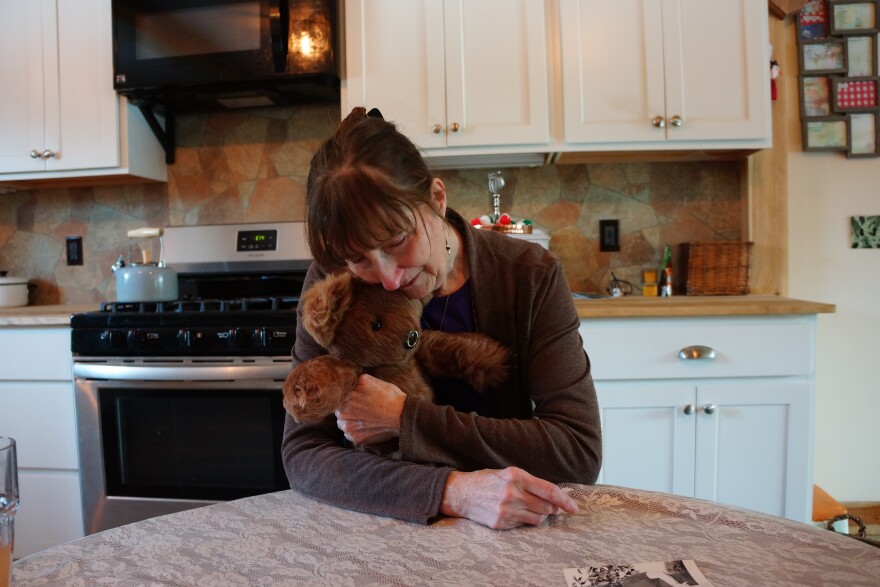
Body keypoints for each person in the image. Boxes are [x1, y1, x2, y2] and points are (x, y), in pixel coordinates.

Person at [281, 106, 602, 530]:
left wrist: (404, 417)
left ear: (436, 198)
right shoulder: (332, 284)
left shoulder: (528, 275)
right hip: (381, 535)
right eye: (359, 259)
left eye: (398, 241)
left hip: (511, 539)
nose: (389, 280)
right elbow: (303, 453)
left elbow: (576, 452)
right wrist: (452, 491)